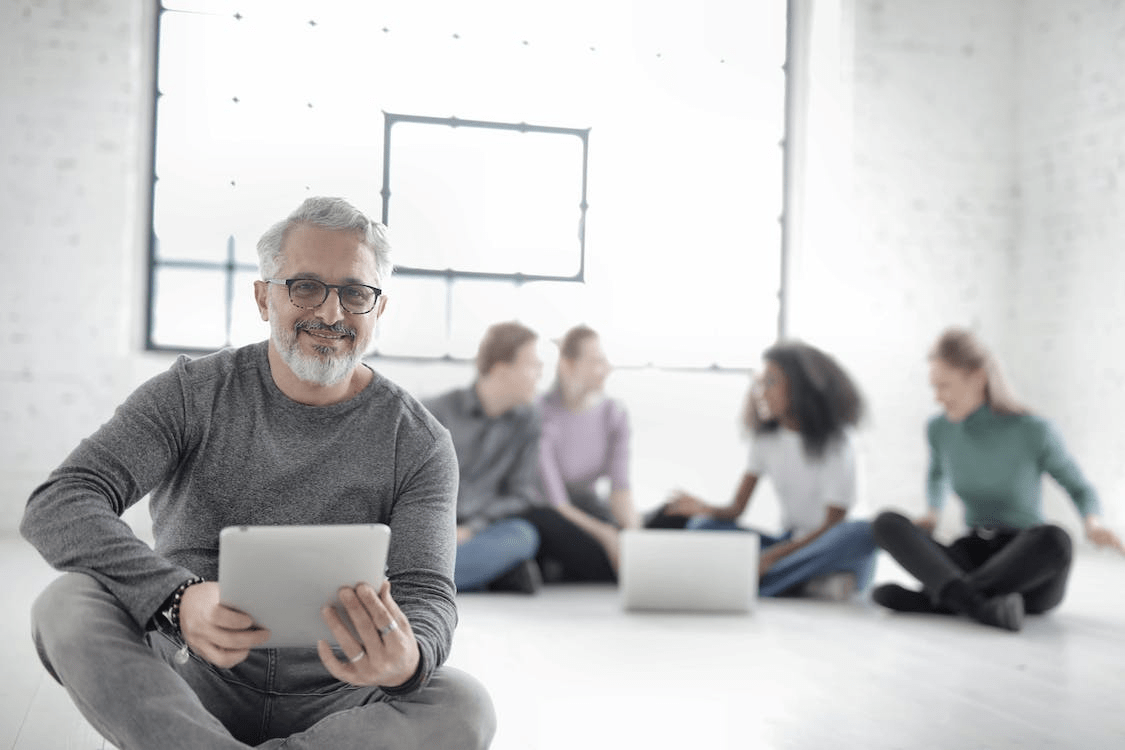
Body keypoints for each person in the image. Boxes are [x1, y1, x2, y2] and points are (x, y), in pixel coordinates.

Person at [20, 196, 495, 749]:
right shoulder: (191, 394)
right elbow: (60, 501)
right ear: (263, 297)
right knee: (66, 607)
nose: (331, 314)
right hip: (190, 673)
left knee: (463, 706)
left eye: (355, 292)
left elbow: (428, 592)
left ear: (378, 309)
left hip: (342, 694)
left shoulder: (418, 441)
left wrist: (407, 657)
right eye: (305, 286)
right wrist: (177, 598)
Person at [871, 327, 1125, 631]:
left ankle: (940, 600)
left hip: (1026, 566)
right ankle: (977, 604)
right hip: (973, 554)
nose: (938, 398)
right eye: (933, 388)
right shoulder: (939, 429)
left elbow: (1079, 487)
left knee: (1057, 539)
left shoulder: (1034, 430)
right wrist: (933, 512)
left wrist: (1093, 523)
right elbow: (936, 474)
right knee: (886, 522)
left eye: (944, 386)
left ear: (978, 378)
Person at [664, 341, 877, 600]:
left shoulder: (837, 441)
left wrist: (770, 557)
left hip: (828, 549)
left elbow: (832, 526)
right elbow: (736, 509)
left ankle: (756, 582)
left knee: (863, 531)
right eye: (759, 383)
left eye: (771, 382)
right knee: (702, 527)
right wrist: (704, 508)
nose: (760, 392)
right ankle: (797, 584)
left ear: (800, 386)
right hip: (789, 544)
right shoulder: (765, 441)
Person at [424, 321, 545, 594]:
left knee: (523, 535)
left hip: (480, 530)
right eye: (532, 365)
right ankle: (486, 573)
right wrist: (444, 531)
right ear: (502, 370)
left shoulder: (528, 423)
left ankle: (418, 582)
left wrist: (472, 529)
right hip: (430, 526)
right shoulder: (436, 412)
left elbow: (520, 494)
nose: (539, 374)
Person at [525, 325, 640, 583]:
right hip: (549, 511)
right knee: (594, 549)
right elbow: (557, 501)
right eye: (597, 361)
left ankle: (562, 568)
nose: (607, 369)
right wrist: (608, 536)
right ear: (568, 365)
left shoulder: (614, 414)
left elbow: (620, 489)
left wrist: (634, 541)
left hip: (588, 506)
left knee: (626, 544)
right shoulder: (540, 415)